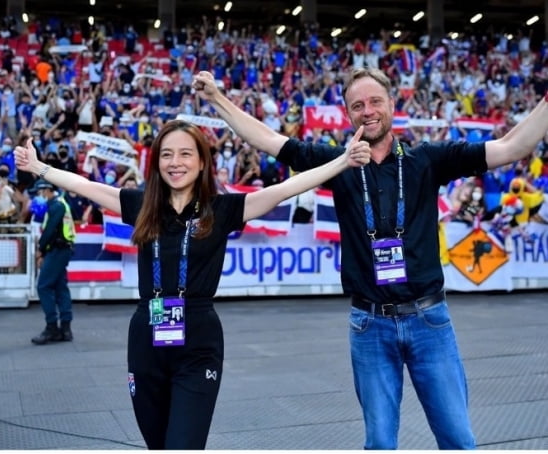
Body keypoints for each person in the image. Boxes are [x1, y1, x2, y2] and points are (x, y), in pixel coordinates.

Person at [191, 67, 548, 450]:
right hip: (370, 327)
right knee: (379, 443)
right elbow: (269, 141)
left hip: (430, 322)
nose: (368, 110)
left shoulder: (427, 160)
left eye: (375, 101)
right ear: (348, 114)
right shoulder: (338, 164)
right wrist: (215, 99)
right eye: (357, 105)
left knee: (458, 440)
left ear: (392, 105)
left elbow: (511, 147)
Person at [14, 118, 370, 450]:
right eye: (166, 154)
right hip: (146, 340)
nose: (175, 162)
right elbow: (85, 185)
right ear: (156, 163)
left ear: (202, 162)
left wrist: (342, 162)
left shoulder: (222, 209)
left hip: (199, 343)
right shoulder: (140, 204)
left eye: (186, 153)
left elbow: (285, 189)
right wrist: (38, 166)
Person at [30, 178, 76, 345]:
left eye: (39, 192)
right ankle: (65, 328)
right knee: (59, 286)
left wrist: (40, 250)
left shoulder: (56, 206)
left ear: (47, 190)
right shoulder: (59, 204)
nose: (37, 195)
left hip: (58, 250)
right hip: (61, 249)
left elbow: (49, 231)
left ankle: (52, 328)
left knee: (43, 286)